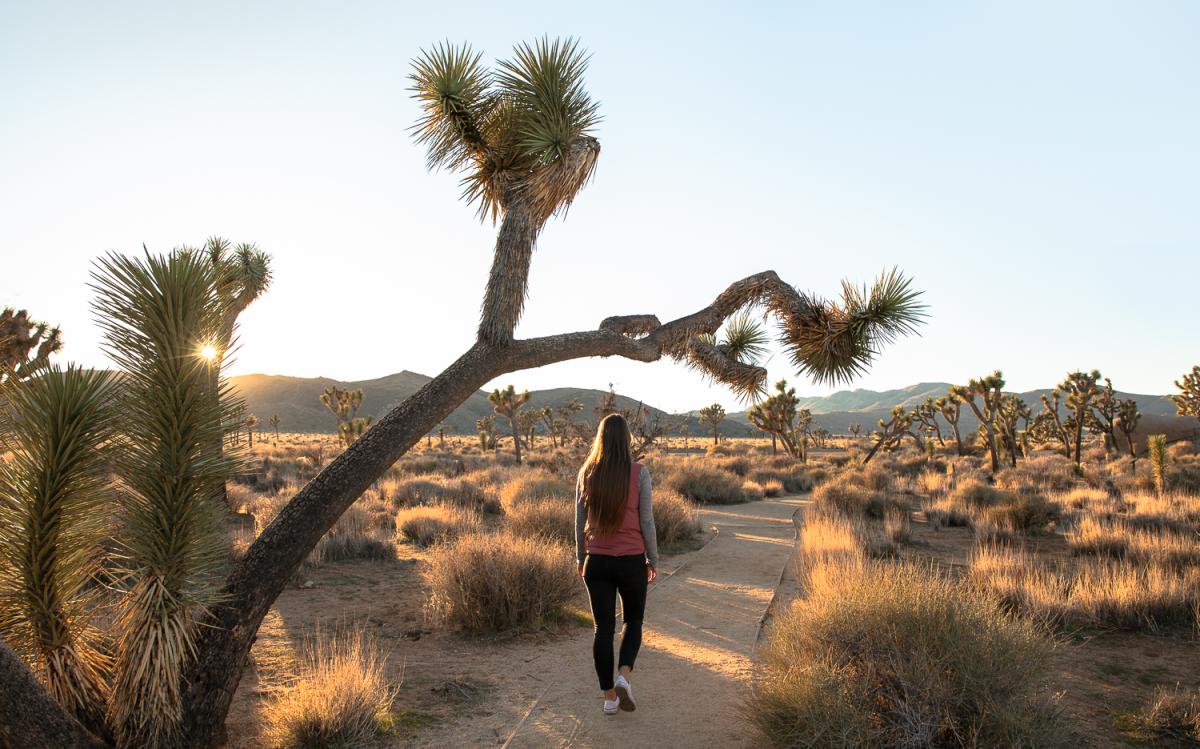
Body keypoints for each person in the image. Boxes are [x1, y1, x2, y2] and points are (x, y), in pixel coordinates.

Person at [574, 413, 659, 715]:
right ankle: (624, 676)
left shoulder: (588, 472)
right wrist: (653, 557)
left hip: (596, 561)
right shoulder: (640, 473)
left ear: (600, 438)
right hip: (631, 561)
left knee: (602, 628)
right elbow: (646, 520)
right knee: (633, 621)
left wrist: (580, 557)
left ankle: (610, 697)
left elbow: (579, 520)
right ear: (626, 440)